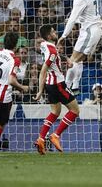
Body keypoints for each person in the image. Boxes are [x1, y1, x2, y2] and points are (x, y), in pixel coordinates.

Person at [34, 25, 80, 154]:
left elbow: (54, 56)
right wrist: (39, 91)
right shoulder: (52, 52)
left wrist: (65, 59)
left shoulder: (44, 45)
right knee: (75, 110)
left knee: (55, 112)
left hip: (50, 84)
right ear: (49, 36)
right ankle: (56, 135)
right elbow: (43, 71)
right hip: (58, 84)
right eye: (53, 32)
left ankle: (41, 139)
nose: (56, 33)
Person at [57, 0, 102, 95]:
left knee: (73, 61)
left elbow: (72, 18)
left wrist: (63, 35)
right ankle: (74, 86)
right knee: (78, 60)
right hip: (93, 30)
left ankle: (66, 86)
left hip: (89, 31)